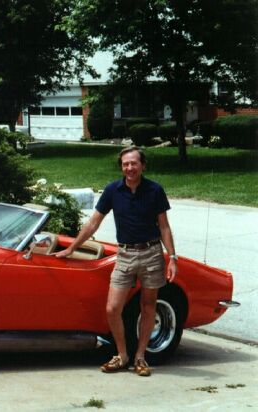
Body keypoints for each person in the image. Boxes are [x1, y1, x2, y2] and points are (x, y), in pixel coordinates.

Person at [55, 146, 178, 377]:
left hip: (152, 254)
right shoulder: (113, 190)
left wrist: (172, 257)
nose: (129, 168)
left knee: (148, 306)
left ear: (143, 165)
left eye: (134, 163)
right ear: (121, 167)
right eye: (125, 164)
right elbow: (93, 223)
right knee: (113, 308)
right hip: (125, 255)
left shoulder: (155, 190)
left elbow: (164, 226)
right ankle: (122, 355)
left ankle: (140, 357)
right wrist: (72, 247)